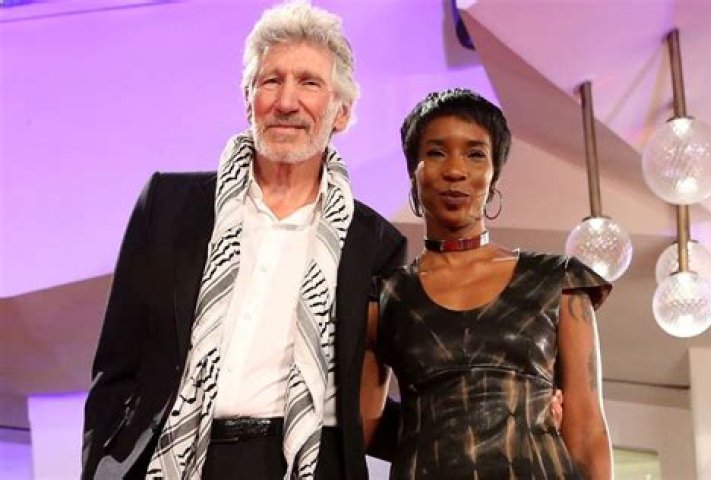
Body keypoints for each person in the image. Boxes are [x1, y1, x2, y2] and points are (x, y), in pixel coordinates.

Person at [81, 1, 406, 479]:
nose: (286, 102)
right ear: (248, 98)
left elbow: (372, 404)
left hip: (299, 464)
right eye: (271, 81)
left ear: (342, 112)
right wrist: (102, 470)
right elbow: (115, 367)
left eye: (309, 83)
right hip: (170, 460)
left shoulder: (375, 243)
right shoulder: (167, 205)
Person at [361, 88, 612, 479]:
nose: (455, 170)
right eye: (436, 152)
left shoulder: (558, 282)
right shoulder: (386, 297)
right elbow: (363, 427)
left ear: (494, 174)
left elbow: (587, 431)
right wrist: (442, 430)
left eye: (475, 154)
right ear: (414, 171)